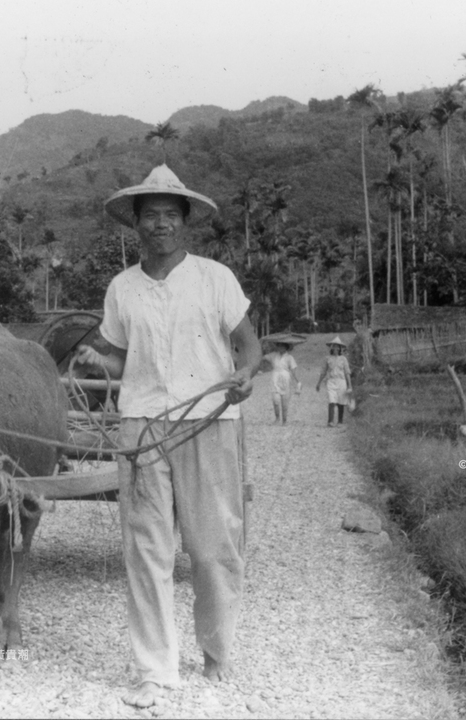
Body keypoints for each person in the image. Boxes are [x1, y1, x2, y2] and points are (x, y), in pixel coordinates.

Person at [72, 164, 262, 709]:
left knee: (211, 547)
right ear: (135, 224)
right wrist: (97, 357)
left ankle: (217, 650)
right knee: (146, 551)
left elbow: (249, 346)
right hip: (141, 427)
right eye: (149, 215)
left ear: (185, 223)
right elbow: (122, 355)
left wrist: (245, 375)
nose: (159, 225)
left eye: (169, 216)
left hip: (208, 420)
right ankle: (153, 668)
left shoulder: (215, 278)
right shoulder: (121, 288)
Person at [315, 335, 352, 427]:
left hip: (341, 382)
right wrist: (318, 383)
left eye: (337, 346)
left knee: (341, 402)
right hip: (331, 381)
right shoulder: (328, 358)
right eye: (334, 346)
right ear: (331, 347)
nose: (335, 347)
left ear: (340, 348)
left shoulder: (343, 359)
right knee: (332, 400)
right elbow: (323, 372)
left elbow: (347, 373)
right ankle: (330, 421)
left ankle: (340, 421)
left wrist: (349, 386)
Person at [263, 340, 299, 424]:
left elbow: (293, 370)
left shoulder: (290, 357)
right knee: (275, 400)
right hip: (275, 378)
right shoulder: (274, 355)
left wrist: (296, 381)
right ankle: (277, 418)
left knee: (285, 402)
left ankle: (284, 420)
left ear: (286, 347)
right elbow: (264, 357)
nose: (280, 348)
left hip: (285, 379)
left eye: (282, 346)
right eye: (279, 346)